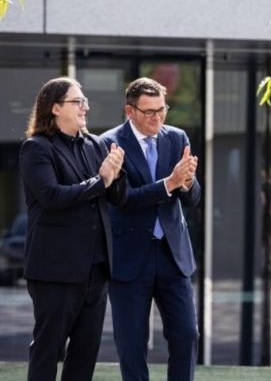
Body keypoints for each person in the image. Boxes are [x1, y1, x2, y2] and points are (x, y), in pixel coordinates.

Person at [20, 77, 126, 381]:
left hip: (96, 269)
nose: (85, 107)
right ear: (55, 108)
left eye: (85, 101)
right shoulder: (36, 148)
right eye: (77, 101)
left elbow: (117, 197)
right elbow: (52, 197)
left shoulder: (95, 144)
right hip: (55, 270)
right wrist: (101, 181)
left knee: (85, 354)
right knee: (47, 350)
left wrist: (117, 176)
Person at [101, 77, 201, 381]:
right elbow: (124, 199)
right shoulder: (109, 143)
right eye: (149, 111)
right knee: (132, 345)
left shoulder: (177, 137)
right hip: (130, 257)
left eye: (162, 109)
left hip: (173, 254)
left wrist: (187, 183)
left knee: (187, 335)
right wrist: (169, 184)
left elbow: (193, 199)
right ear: (130, 112)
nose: (157, 117)